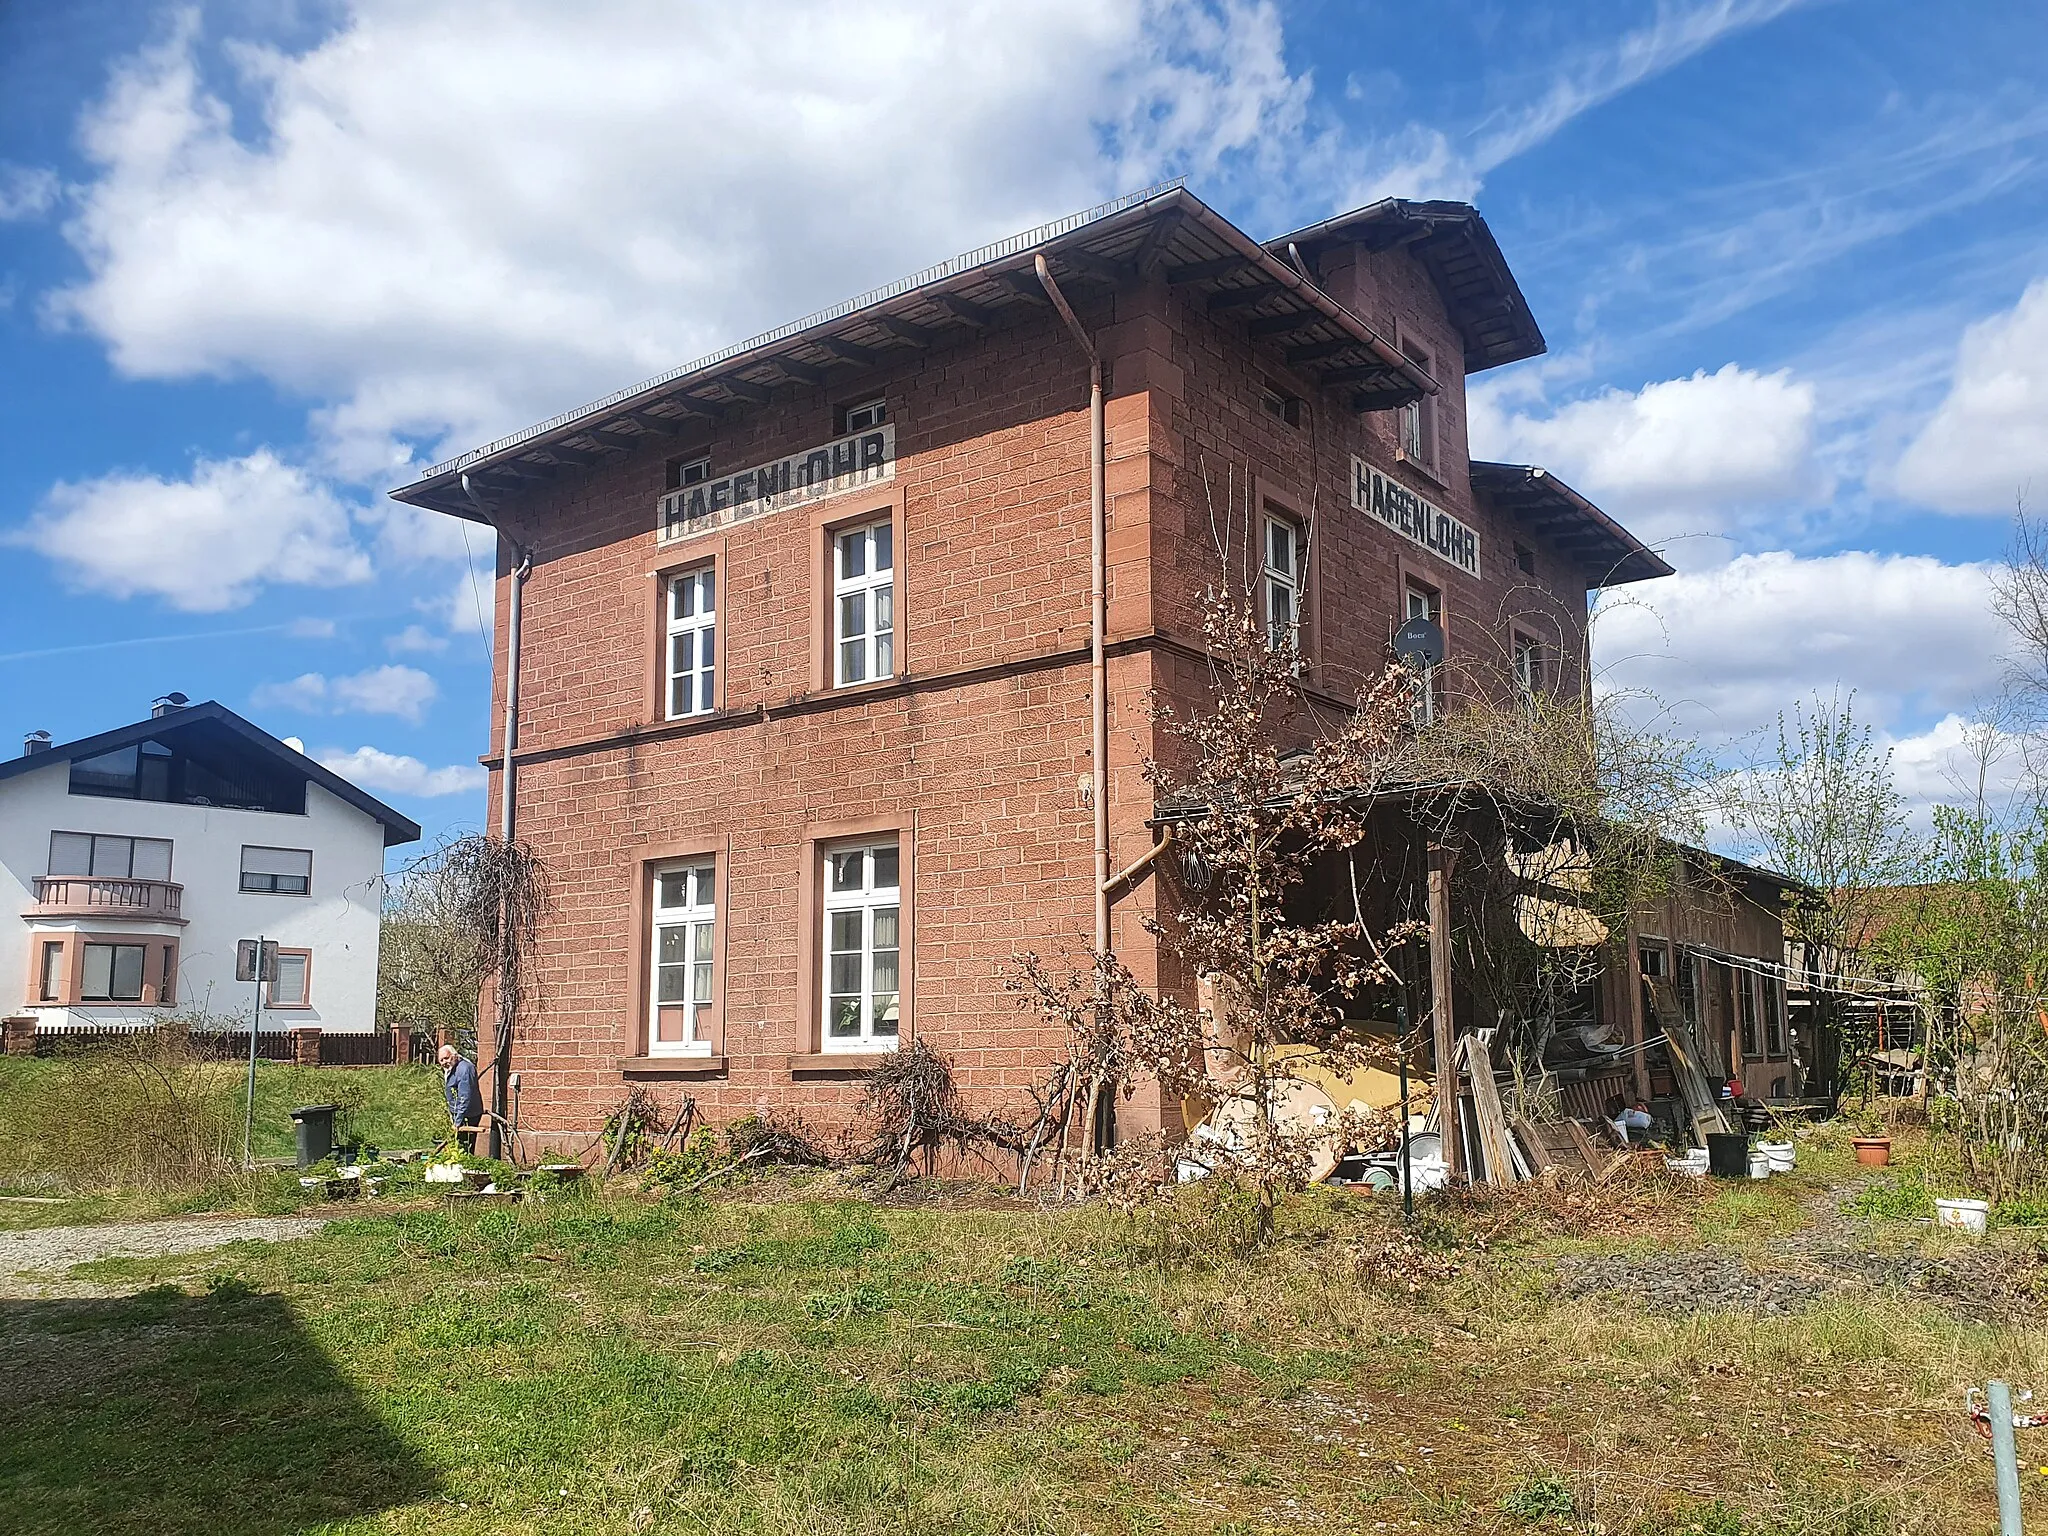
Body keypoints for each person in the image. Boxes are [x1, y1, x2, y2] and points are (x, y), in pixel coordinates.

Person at [439, 1044, 484, 1154]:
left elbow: (464, 1097)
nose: (444, 1062)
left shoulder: (464, 1069)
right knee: (459, 1147)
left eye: (446, 1058)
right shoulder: (453, 1068)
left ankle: (464, 1167)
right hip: (459, 1114)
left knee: (465, 1147)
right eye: (441, 1060)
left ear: (454, 1056)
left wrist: (458, 1121)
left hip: (468, 1115)